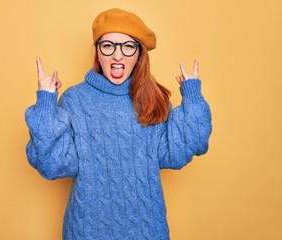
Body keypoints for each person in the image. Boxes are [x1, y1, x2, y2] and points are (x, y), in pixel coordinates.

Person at [25, 8, 212, 240]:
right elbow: (52, 164)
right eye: (108, 45)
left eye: (127, 46)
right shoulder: (75, 100)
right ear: (98, 52)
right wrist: (46, 104)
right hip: (87, 231)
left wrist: (192, 97)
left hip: (147, 229)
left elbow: (174, 155)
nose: (117, 55)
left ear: (139, 53)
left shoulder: (153, 99)